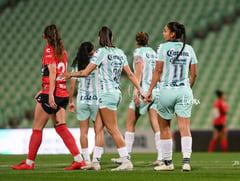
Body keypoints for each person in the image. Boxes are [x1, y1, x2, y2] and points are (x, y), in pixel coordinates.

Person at [61, 26, 146, 171]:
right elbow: (131, 74)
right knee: (99, 127)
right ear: (112, 38)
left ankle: (126, 161)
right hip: (115, 93)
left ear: (100, 39)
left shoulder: (101, 52)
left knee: (112, 129)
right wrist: (141, 90)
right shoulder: (120, 52)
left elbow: (86, 72)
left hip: (106, 94)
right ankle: (95, 162)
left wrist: (70, 75)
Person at [12, 24, 85, 170]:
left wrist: (49, 94)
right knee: (61, 127)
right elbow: (58, 74)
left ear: (45, 37)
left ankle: (29, 163)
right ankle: (79, 160)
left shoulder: (49, 50)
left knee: (37, 128)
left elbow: (52, 73)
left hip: (52, 94)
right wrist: (44, 89)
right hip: (62, 93)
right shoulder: (62, 51)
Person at [146, 22, 197, 171]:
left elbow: (158, 71)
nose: (163, 33)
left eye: (165, 31)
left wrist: (149, 90)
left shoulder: (163, 48)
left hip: (166, 91)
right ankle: (186, 162)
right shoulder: (189, 49)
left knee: (165, 128)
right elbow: (194, 74)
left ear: (172, 34)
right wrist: (187, 88)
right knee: (185, 127)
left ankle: (168, 164)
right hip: (184, 91)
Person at [111, 32, 162, 166]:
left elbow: (138, 73)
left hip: (143, 90)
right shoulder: (153, 52)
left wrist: (135, 91)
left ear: (136, 42)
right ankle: (161, 158)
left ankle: (125, 156)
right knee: (156, 125)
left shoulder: (138, 53)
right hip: (155, 90)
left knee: (129, 123)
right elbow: (159, 71)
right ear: (148, 41)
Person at [68, 42, 104, 170]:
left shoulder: (78, 64)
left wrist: (70, 101)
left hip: (82, 100)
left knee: (83, 132)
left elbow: (72, 85)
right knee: (98, 130)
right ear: (93, 51)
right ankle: (96, 160)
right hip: (96, 100)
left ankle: (86, 160)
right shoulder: (97, 62)